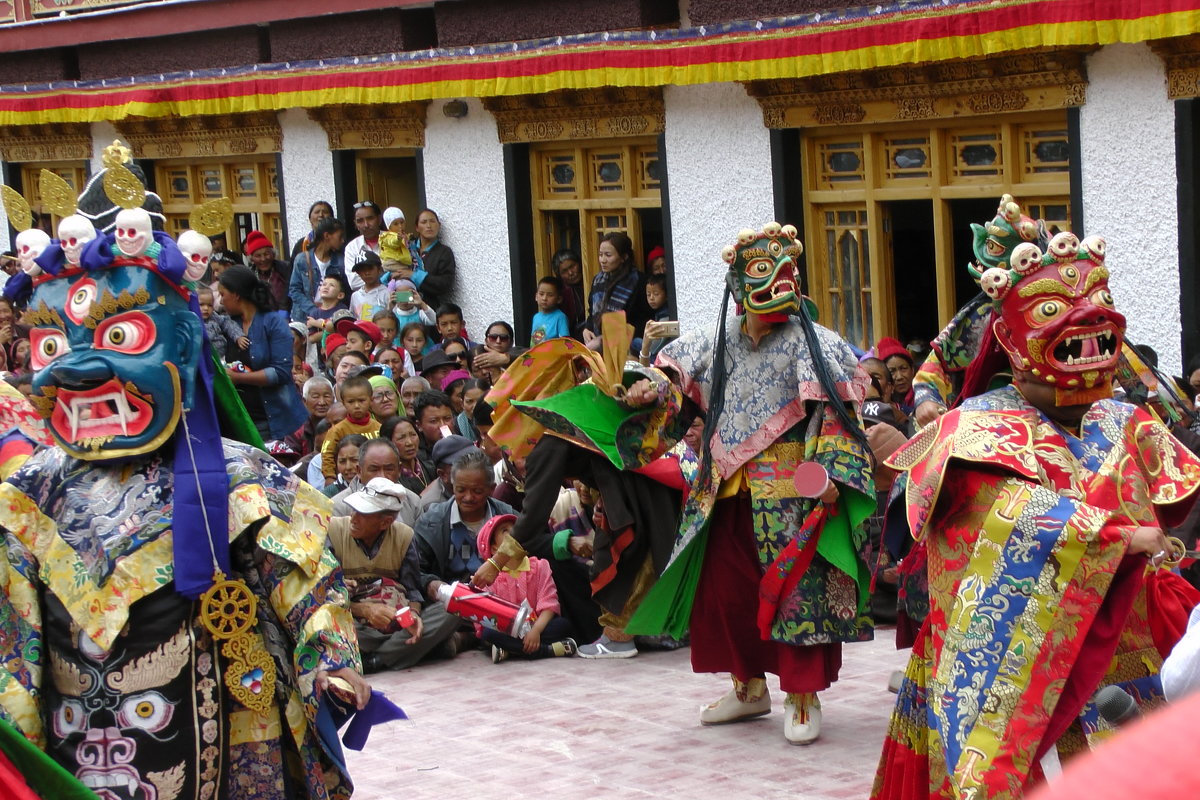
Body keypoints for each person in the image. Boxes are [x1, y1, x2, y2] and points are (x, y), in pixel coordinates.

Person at [1, 166, 368, 797]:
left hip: (233, 727)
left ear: (184, 343)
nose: (82, 371)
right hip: (85, 748)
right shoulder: (26, 496)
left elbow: (306, 581)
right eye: (55, 347)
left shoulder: (239, 473)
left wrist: (332, 661)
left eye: (122, 337)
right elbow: (14, 645)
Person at [872, 231, 1200, 798]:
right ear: (1008, 336)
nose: (1087, 318)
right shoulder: (972, 430)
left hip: (1128, 635)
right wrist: (1118, 536)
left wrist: (1148, 545)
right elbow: (992, 519)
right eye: (1052, 309)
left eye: (1096, 300)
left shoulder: (1127, 419)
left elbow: (1180, 478)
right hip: (1008, 649)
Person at [625, 223, 875, 746]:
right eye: (765, 272)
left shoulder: (816, 343)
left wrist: (832, 474)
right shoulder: (717, 341)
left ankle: (803, 695)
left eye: (788, 272)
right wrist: (644, 391)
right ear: (738, 282)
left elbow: (838, 418)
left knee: (794, 593)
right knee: (728, 594)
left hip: (793, 489)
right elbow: (673, 385)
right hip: (725, 488)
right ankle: (747, 687)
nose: (781, 282)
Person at [328, 477, 460, 673]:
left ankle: (375, 660)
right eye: (353, 509)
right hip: (352, 619)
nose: (353, 518)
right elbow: (322, 594)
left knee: (451, 611)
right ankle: (406, 651)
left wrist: (413, 616)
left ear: (385, 522)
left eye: (362, 514)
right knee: (328, 626)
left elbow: (413, 591)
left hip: (394, 621)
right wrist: (364, 610)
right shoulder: (334, 531)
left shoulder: (404, 537)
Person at [415, 449, 517, 606]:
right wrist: (430, 583)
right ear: (452, 486)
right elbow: (415, 570)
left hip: (503, 601)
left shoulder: (508, 518)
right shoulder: (431, 522)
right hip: (450, 606)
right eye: (461, 490)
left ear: (492, 489)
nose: (468, 498)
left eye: (477, 491)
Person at [218, 265, 309, 442]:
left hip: (271, 421)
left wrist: (238, 378)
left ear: (236, 294)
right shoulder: (228, 325)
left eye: (223, 295)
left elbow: (281, 372)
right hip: (238, 419)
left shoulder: (273, 323)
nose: (221, 301)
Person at [475, 514, 577, 663]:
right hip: (506, 630)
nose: (515, 534)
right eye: (505, 531)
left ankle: (512, 650)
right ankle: (547, 650)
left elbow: (549, 603)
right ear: (494, 548)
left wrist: (535, 631)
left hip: (537, 626)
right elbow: (487, 615)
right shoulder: (489, 577)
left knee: (563, 625)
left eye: (516, 529)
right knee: (487, 634)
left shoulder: (540, 566)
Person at [582, 231, 651, 343]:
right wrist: (587, 329)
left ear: (624, 257)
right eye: (600, 255)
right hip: (597, 341)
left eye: (608, 255)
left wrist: (612, 338)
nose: (603, 260)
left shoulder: (639, 281)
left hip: (628, 345)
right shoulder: (598, 280)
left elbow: (645, 319)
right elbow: (592, 312)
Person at [321, 374, 381, 481]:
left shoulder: (378, 427)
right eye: (351, 402)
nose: (357, 406)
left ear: (371, 400)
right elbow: (327, 455)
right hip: (346, 481)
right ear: (343, 403)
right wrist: (329, 477)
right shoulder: (337, 430)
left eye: (361, 400)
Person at [393, 208, 456, 311]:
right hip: (403, 306)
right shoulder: (407, 247)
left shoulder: (444, 252)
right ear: (417, 227)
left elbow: (445, 284)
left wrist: (414, 275)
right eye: (424, 222)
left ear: (439, 225)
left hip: (428, 308)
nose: (429, 226)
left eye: (432, 221)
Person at [290, 216, 347, 324]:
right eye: (339, 237)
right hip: (303, 319)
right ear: (326, 236)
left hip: (330, 318)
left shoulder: (341, 262)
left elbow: (344, 292)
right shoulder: (302, 259)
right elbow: (294, 290)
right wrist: (314, 310)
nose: (342, 240)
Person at [381, 414, 432, 494]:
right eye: (401, 438)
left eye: (413, 435)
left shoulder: (431, 468)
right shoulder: (389, 480)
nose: (409, 443)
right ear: (388, 443)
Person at [243, 229, 291, 313]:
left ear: (273, 254)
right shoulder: (249, 275)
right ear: (252, 259)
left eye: (266, 254)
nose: (263, 259)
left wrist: (283, 310)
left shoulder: (286, 268)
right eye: (258, 256)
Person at [287, 375, 335, 457]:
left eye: (326, 396)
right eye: (315, 397)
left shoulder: (339, 423)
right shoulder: (296, 429)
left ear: (334, 399)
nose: (322, 402)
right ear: (304, 401)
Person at [197, 284, 245, 361]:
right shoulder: (192, 321)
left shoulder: (214, 317)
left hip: (220, 357)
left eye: (210, 305)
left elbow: (228, 324)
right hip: (201, 358)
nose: (206, 308)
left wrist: (238, 336)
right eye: (201, 305)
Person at [344, 201, 382, 291]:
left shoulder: (394, 240)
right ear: (356, 224)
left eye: (370, 218)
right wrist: (386, 275)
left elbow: (400, 274)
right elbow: (354, 283)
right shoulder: (352, 247)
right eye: (360, 221)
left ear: (379, 219)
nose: (366, 225)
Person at [552, 248, 587, 337]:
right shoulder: (561, 294)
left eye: (572, 266)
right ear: (559, 275)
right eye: (564, 271)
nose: (571, 273)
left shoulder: (591, 281)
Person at [530, 275, 570, 345]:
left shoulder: (560, 317)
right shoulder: (536, 317)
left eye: (550, 295)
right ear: (536, 296)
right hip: (536, 355)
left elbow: (565, 342)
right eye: (541, 294)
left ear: (559, 299)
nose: (544, 298)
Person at [350, 251, 390, 321]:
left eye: (370, 268)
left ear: (379, 269)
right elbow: (353, 318)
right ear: (358, 273)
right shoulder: (355, 296)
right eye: (362, 270)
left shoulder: (387, 293)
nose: (367, 273)